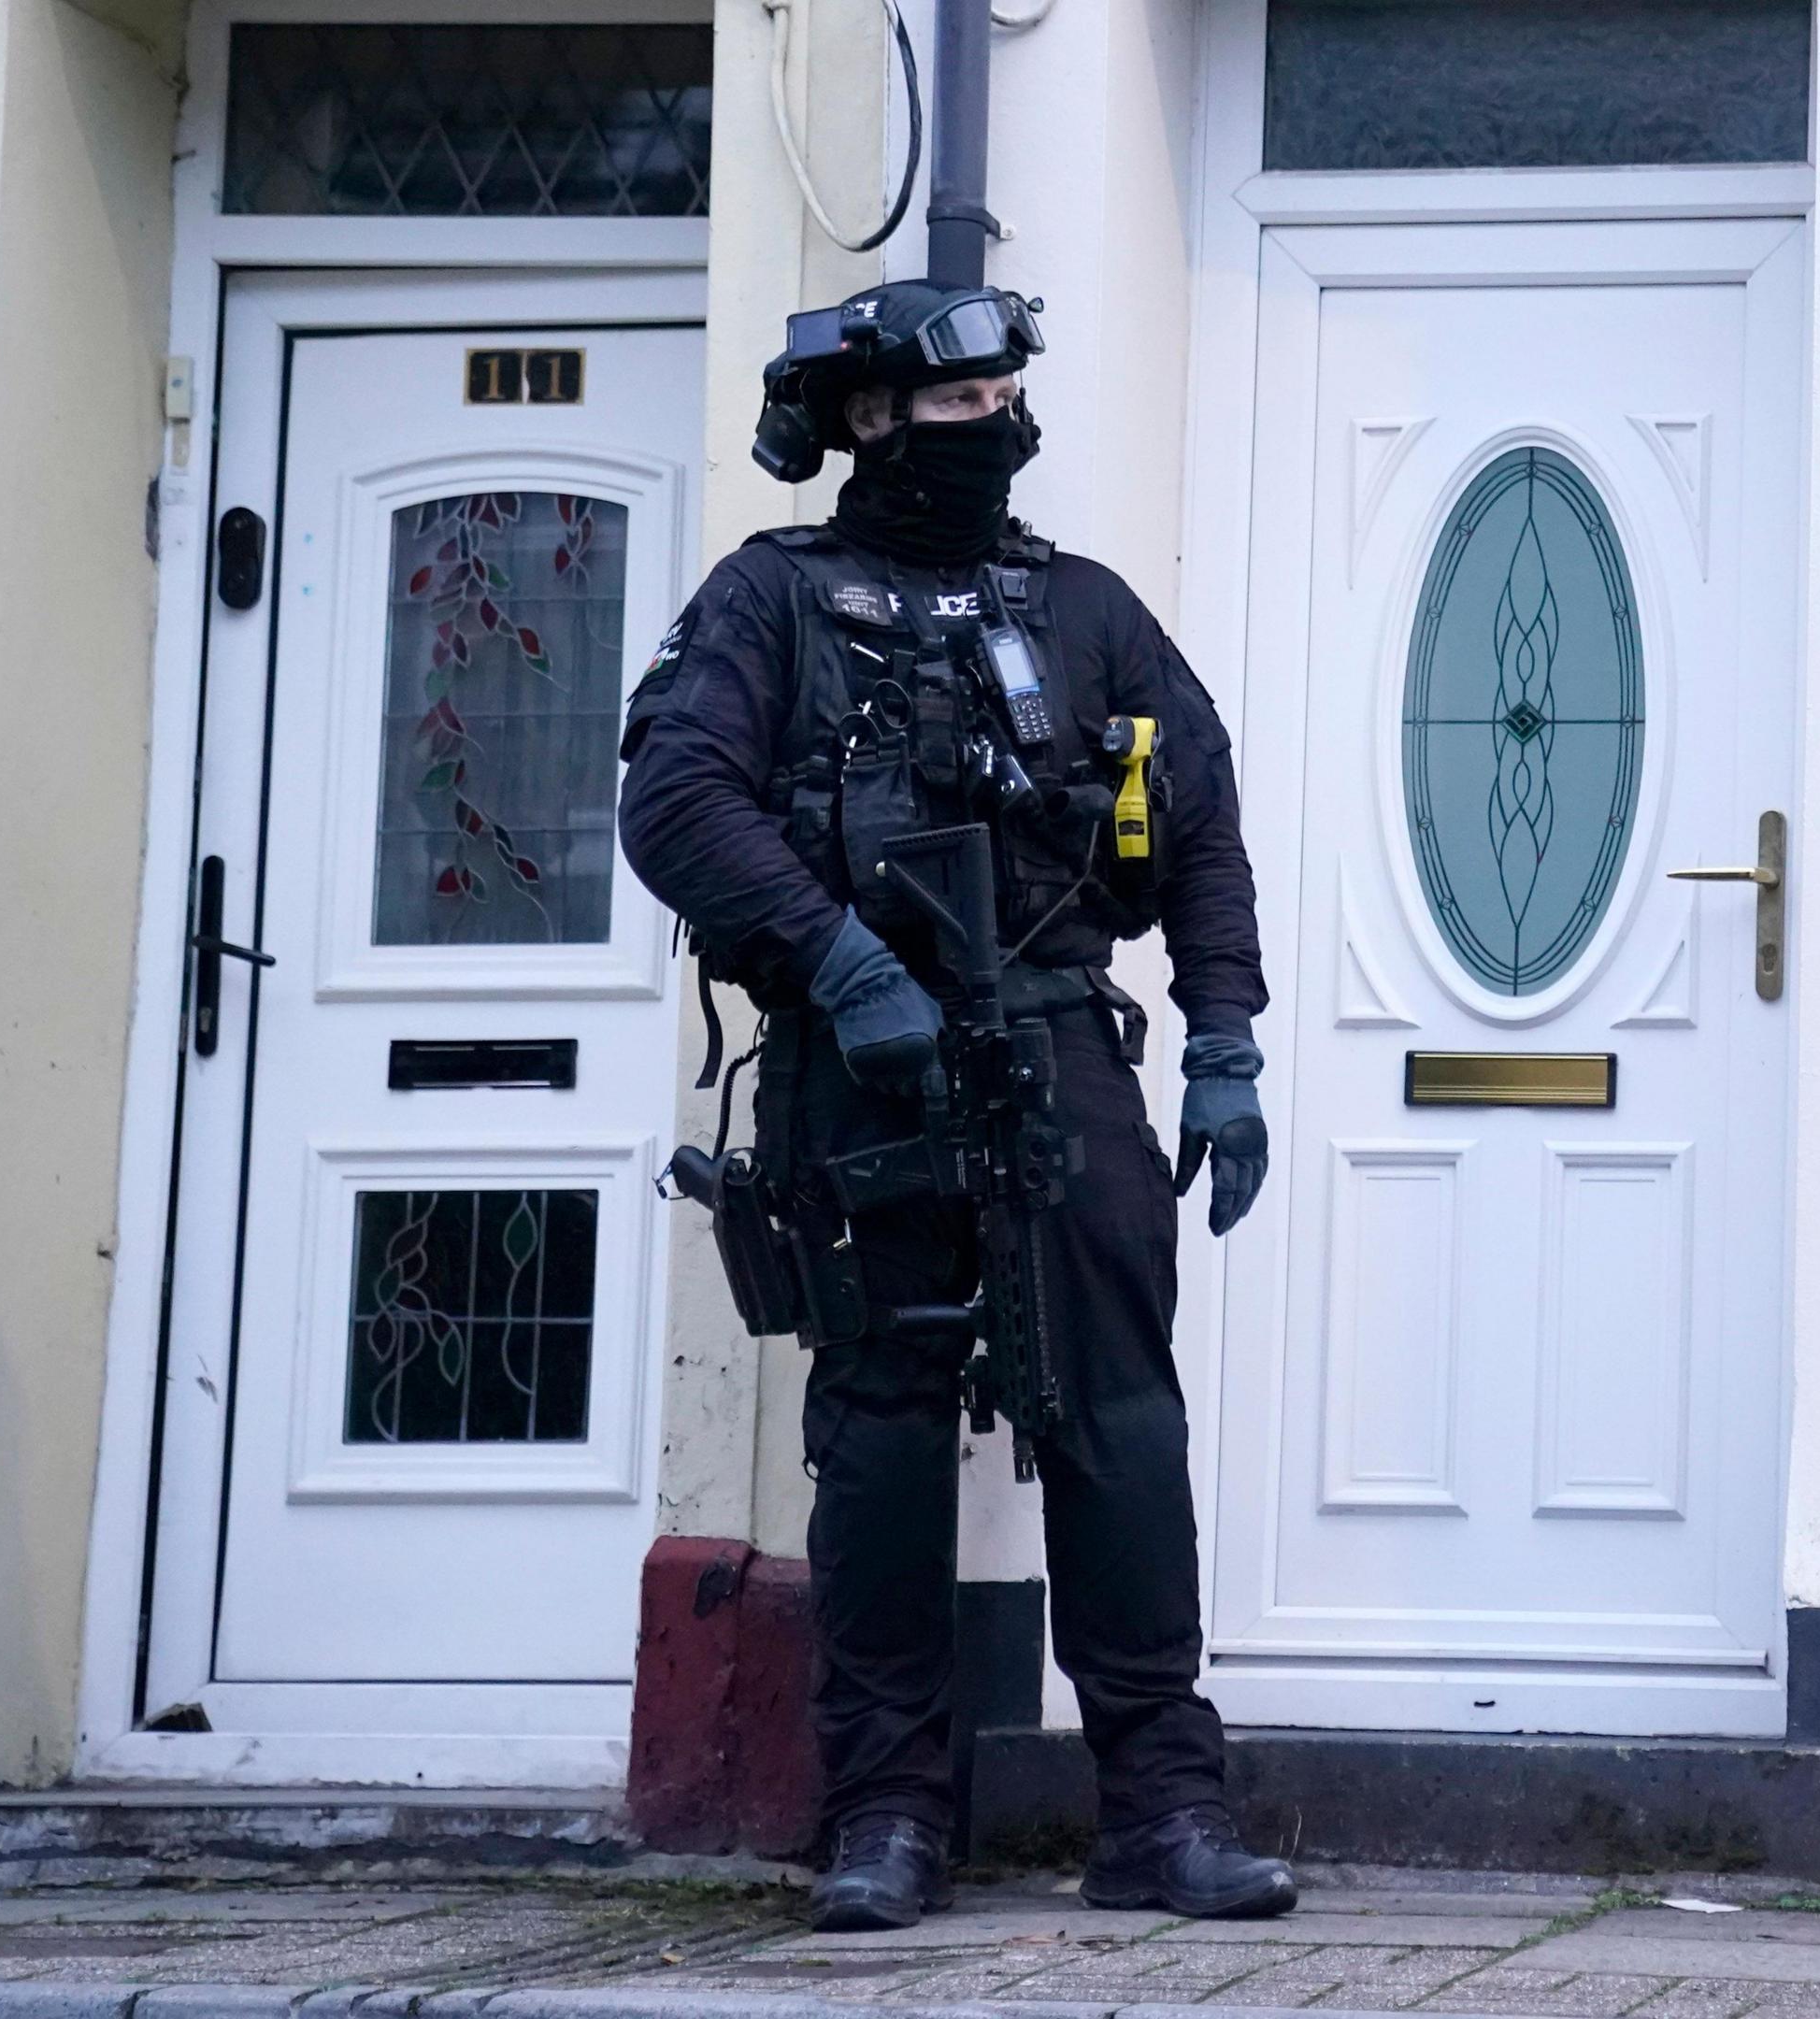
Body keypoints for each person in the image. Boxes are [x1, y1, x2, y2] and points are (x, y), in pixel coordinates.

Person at [618, 279, 1296, 1931]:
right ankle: (889, 1817)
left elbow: (1197, 819)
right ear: (862, 423)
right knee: (886, 1444)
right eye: (956, 408)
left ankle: (1161, 1810)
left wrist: (1226, 1038)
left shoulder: (1084, 610)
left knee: (1119, 1426)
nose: (995, 433)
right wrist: (842, 960)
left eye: (1007, 403)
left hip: (1061, 1051)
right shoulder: (771, 602)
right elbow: (674, 800)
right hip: (867, 1073)